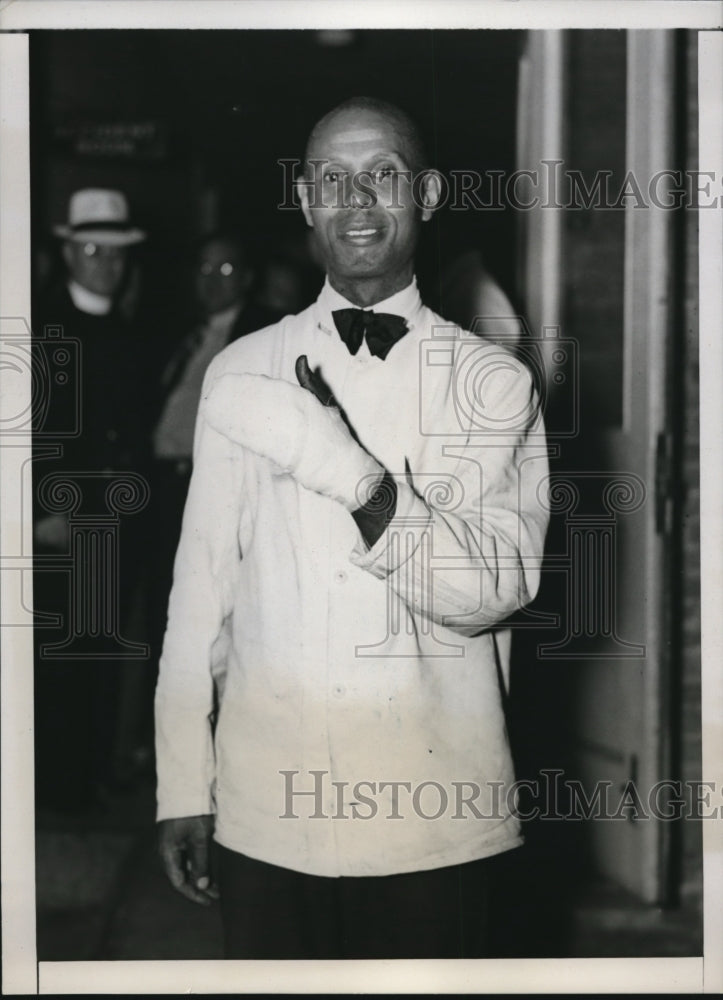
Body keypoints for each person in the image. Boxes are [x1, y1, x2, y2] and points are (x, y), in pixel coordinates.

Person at [155, 97, 550, 959]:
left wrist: (346, 470)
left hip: (433, 823)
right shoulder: (239, 371)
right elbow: (199, 600)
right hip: (266, 816)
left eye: (383, 174)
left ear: (430, 194)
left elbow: (488, 592)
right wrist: (182, 782)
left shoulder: (494, 384)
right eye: (333, 179)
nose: (357, 200)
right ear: (303, 199)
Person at [33, 187, 152, 809]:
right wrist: (42, 513)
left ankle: (90, 779)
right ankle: (59, 787)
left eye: (115, 253)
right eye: (91, 250)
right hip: (63, 519)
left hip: (117, 517)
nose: (106, 263)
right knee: (63, 657)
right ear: (70, 254)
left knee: (105, 649)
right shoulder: (46, 329)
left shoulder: (130, 333)